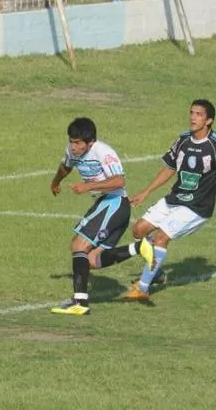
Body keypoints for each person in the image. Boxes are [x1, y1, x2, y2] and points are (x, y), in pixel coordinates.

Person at [123, 99, 216, 301]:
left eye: (199, 114)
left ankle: (143, 288)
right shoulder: (183, 140)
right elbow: (169, 168)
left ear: (209, 120)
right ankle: (156, 273)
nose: (193, 117)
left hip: (197, 207)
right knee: (139, 230)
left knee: (160, 237)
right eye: (192, 113)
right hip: (175, 199)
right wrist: (146, 191)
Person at [48, 117, 151, 316]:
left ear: (91, 141)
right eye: (71, 141)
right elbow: (66, 165)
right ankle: (139, 247)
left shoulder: (103, 152)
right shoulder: (73, 151)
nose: (73, 146)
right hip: (108, 204)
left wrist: (87, 186)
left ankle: (79, 302)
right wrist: (56, 181)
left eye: (78, 143)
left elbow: (119, 181)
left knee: (78, 246)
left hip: (114, 203)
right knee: (91, 260)